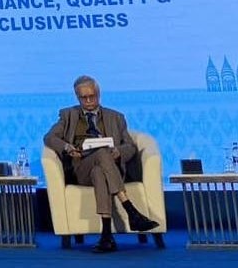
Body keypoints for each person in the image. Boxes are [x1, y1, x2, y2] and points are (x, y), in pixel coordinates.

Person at [42, 75, 160, 253]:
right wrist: (67, 147)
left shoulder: (116, 117)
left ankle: (106, 236)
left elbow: (130, 147)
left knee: (100, 169)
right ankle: (131, 210)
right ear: (77, 97)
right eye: (84, 98)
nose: (89, 101)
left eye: (92, 96)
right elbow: (49, 138)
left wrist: (118, 152)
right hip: (81, 168)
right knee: (101, 153)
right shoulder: (68, 115)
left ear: (98, 94)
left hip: (107, 168)